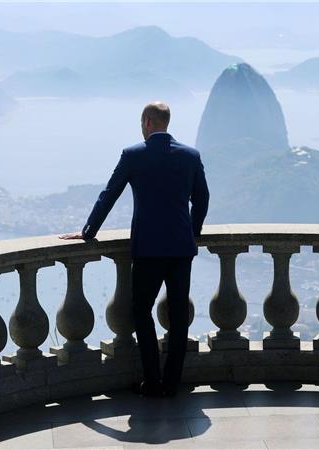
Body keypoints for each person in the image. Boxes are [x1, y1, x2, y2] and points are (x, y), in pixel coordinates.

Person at [60, 101, 209, 398]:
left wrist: (89, 232)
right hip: (181, 250)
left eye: (142, 122)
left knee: (141, 311)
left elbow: (109, 194)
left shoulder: (133, 155)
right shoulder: (190, 156)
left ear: (147, 122)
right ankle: (172, 382)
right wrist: (191, 235)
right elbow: (202, 200)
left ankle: (152, 381)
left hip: (148, 250)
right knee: (179, 318)